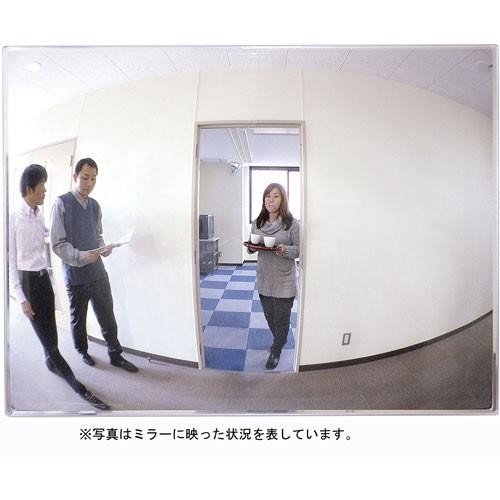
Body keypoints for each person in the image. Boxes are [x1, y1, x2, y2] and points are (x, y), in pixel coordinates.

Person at [9, 164, 109, 410]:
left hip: (45, 280)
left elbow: (48, 237)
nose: (45, 189)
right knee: (52, 345)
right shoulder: (12, 218)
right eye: (42, 184)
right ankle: (80, 388)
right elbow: (8, 261)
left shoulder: (38, 215)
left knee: (51, 333)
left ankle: (50, 362)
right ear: (29, 187)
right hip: (28, 283)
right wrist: (21, 298)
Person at [50, 157, 138, 373]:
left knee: (108, 317)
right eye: (85, 177)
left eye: (93, 179)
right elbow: (57, 244)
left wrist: (103, 248)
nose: (89, 183)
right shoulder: (61, 203)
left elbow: (97, 235)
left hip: (98, 273)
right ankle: (82, 351)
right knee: (78, 320)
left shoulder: (95, 205)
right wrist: (81, 256)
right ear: (75, 177)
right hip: (75, 277)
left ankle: (115, 355)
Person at [248, 183, 300, 369]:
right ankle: (279, 339)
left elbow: (299, 250)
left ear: (282, 199)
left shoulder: (292, 223)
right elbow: (252, 248)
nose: (270, 200)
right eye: (267, 196)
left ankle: (276, 349)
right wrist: (251, 248)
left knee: (281, 319)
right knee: (270, 317)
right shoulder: (257, 223)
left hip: (284, 280)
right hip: (264, 278)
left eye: (275, 196)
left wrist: (285, 250)